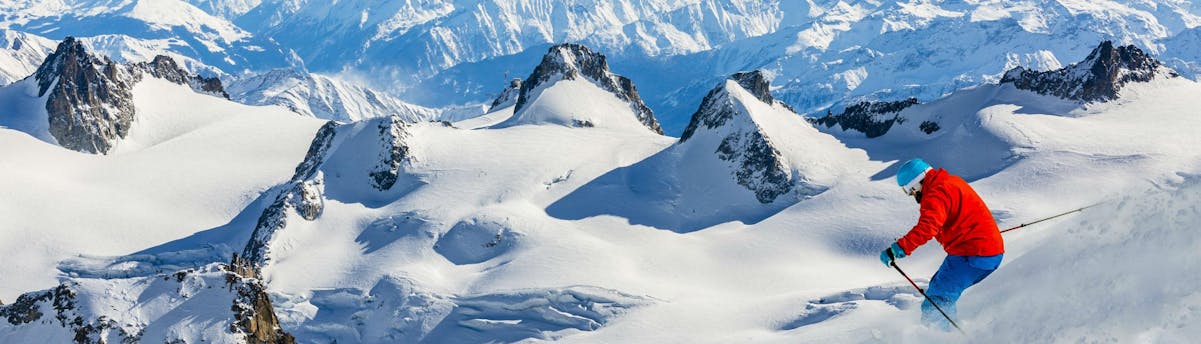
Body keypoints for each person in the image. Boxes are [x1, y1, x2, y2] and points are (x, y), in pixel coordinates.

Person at [879, 158, 1005, 331]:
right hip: (984, 249)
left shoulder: (935, 193)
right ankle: (951, 333)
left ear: (915, 185)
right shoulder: (948, 181)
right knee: (939, 291)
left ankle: (942, 338)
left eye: (910, 192)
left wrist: (898, 249)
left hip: (973, 253)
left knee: (936, 302)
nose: (912, 196)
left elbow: (928, 226)